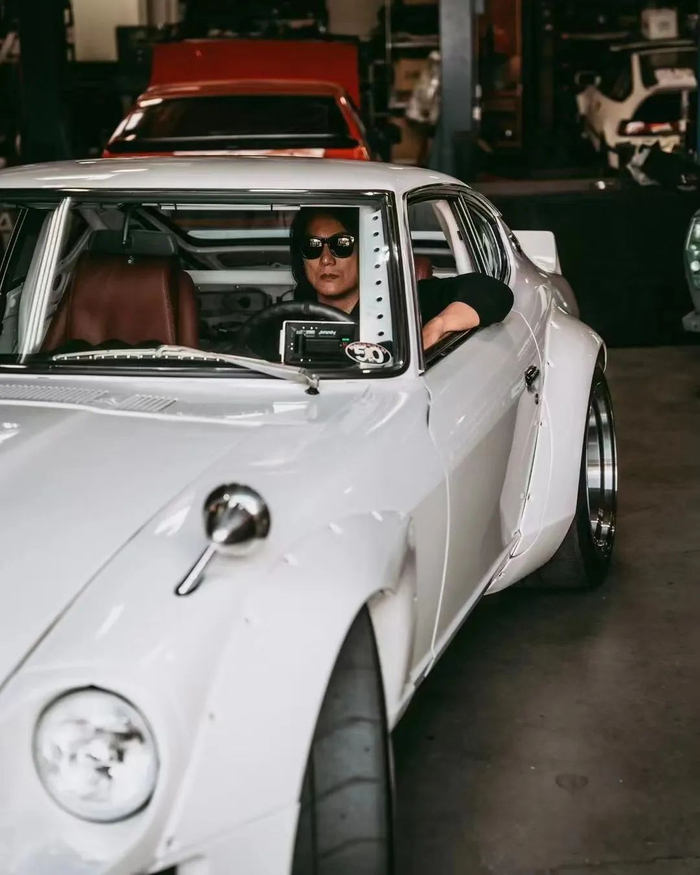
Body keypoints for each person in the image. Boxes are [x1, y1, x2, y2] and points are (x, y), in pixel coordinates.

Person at [290, 207, 514, 349]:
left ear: (366, 250)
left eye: (342, 245)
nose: (326, 259)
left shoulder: (408, 304)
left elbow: (491, 290)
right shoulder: (287, 316)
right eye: (313, 246)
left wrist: (438, 325)